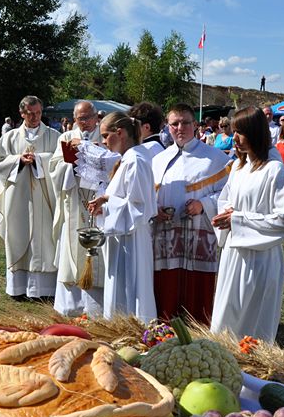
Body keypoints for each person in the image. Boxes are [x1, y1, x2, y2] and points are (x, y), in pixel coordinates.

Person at [210, 106, 284, 343]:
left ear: (255, 133)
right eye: (233, 131)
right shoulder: (239, 167)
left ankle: (250, 363)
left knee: (252, 322)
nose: (233, 138)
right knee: (225, 318)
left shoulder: (275, 171)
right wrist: (226, 213)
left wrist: (237, 219)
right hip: (234, 253)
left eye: (240, 132)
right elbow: (226, 199)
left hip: (260, 258)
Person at [152, 103, 232, 325]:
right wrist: (154, 209)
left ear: (195, 125)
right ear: (167, 126)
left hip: (199, 236)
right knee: (166, 287)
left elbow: (228, 194)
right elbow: (148, 193)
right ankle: (164, 329)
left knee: (197, 288)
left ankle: (198, 329)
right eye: (174, 124)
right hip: (165, 237)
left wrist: (203, 204)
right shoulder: (159, 160)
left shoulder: (215, 158)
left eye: (185, 123)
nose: (180, 128)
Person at [87, 113, 157, 322]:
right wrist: (105, 204)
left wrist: (107, 201)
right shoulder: (128, 159)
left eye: (105, 136)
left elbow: (138, 206)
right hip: (123, 235)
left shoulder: (136, 161)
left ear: (120, 133)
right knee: (120, 286)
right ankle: (119, 326)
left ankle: (133, 326)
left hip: (132, 238)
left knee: (130, 287)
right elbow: (126, 198)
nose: (103, 142)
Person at [0, 96, 60, 299]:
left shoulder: (54, 136)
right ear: (22, 113)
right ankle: (18, 288)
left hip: (45, 198)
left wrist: (40, 160)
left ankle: (44, 289)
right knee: (17, 234)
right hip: (18, 197)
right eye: (31, 114)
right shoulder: (10, 137)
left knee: (44, 239)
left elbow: (61, 161)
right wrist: (18, 161)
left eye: (38, 113)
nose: (35, 117)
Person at [49, 100, 104, 317]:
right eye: (81, 119)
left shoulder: (104, 135)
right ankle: (71, 306)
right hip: (74, 200)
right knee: (71, 249)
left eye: (89, 117)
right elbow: (54, 168)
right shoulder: (66, 138)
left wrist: (97, 153)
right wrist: (71, 162)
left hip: (97, 200)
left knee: (98, 251)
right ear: (74, 119)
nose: (86, 122)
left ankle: (96, 307)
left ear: (96, 117)